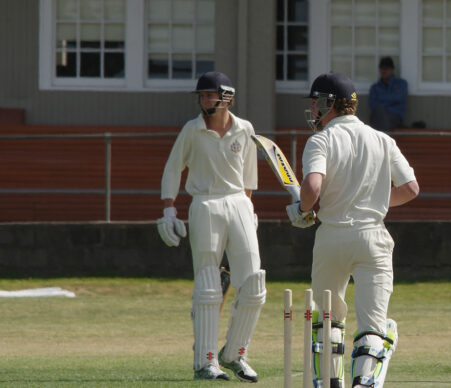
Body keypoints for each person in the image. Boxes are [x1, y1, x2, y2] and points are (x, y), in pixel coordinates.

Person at [287, 72, 419, 388]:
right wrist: (375, 203)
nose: (314, 110)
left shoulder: (320, 140)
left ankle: (330, 381)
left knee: (327, 316)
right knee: (373, 324)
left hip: (332, 235)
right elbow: (411, 188)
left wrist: (303, 209)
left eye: (317, 103)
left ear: (330, 104)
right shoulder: (383, 139)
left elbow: (312, 186)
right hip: (373, 236)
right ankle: (363, 381)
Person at [158, 71, 266, 382]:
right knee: (208, 284)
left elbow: (248, 178)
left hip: (238, 203)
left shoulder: (245, 129)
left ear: (227, 97)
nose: (205, 100)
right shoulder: (192, 130)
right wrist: (168, 209)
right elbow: (173, 167)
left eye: (210, 95)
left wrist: (250, 211)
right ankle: (205, 362)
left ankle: (235, 354)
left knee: (254, 284)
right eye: (202, 95)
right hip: (205, 202)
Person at [369, 56, 408, 132]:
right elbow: (372, 105)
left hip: (395, 116)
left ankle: (382, 141)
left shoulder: (401, 84)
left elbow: (400, 98)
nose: (384, 71)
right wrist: (390, 101)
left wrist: (381, 100)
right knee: (380, 112)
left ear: (392, 70)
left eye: (386, 68)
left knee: (381, 113)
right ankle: (386, 139)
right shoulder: (375, 87)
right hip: (378, 117)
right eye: (382, 68)